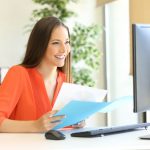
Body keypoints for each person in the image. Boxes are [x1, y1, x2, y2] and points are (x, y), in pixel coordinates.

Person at [0, 16, 84, 133]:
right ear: (40, 46)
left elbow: (61, 127)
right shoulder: (18, 74)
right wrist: (35, 126)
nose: (64, 49)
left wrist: (76, 122)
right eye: (56, 43)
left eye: (67, 42)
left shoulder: (65, 80)